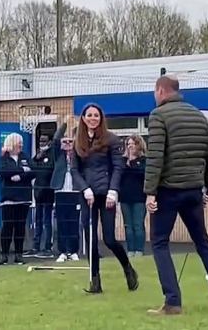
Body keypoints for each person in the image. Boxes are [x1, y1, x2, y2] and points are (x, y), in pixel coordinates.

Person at [144, 75, 208, 316]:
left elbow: (155, 157)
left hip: (167, 191)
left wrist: (150, 192)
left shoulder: (158, 116)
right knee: (203, 242)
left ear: (160, 90)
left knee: (160, 243)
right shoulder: (197, 115)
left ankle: (173, 302)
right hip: (193, 190)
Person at [72, 103, 138, 294]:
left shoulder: (111, 139)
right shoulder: (79, 141)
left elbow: (118, 167)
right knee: (90, 239)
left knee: (109, 239)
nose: (93, 118)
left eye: (96, 115)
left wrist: (113, 191)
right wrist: (85, 189)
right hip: (88, 196)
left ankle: (128, 268)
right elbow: (74, 170)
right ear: (84, 118)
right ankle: (95, 281)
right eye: (89, 115)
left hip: (106, 194)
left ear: (100, 118)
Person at [0, 133, 34, 265]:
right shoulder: (4, 159)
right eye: (19, 142)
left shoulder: (25, 157)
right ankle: (4, 254)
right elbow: (4, 172)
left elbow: (33, 171)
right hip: (8, 197)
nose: (21, 145)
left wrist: (20, 176)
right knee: (7, 226)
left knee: (20, 227)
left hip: (24, 197)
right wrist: (22, 169)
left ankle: (19, 254)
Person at [50, 116, 81, 263]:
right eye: (65, 142)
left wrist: (77, 126)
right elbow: (56, 139)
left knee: (74, 222)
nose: (68, 144)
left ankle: (74, 251)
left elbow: (82, 140)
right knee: (61, 223)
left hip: (75, 192)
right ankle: (62, 251)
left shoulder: (78, 156)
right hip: (61, 191)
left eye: (70, 142)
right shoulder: (58, 156)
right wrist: (64, 124)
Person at [25, 133, 54, 259]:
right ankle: (35, 246)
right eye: (40, 141)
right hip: (38, 191)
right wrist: (36, 159)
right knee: (38, 220)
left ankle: (48, 247)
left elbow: (47, 169)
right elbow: (30, 165)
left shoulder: (52, 154)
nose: (42, 143)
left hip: (48, 191)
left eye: (44, 140)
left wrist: (36, 165)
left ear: (49, 141)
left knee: (47, 220)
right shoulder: (38, 155)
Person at [120, 134, 148, 256]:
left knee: (138, 225)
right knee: (128, 225)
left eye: (133, 144)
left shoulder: (144, 161)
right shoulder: (122, 161)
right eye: (128, 144)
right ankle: (130, 250)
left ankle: (139, 250)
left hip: (139, 198)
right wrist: (127, 161)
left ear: (139, 145)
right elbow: (120, 175)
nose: (130, 146)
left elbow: (141, 174)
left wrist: (132, 162)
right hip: (125, 197)